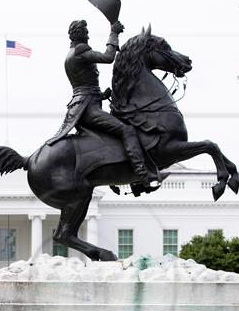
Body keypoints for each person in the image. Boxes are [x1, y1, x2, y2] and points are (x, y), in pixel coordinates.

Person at [46, 19, 162, 193]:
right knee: (126, 130)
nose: (88, 34)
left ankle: (118, 176)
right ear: (82, 34)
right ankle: (142, 177)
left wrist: (101, 95)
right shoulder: (80, 51)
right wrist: (113, 33)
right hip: (88, 110)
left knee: (112, 136)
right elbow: (108, 57)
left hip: (82, 107)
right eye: (86, 31)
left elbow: (82, 86)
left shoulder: (70, 54)